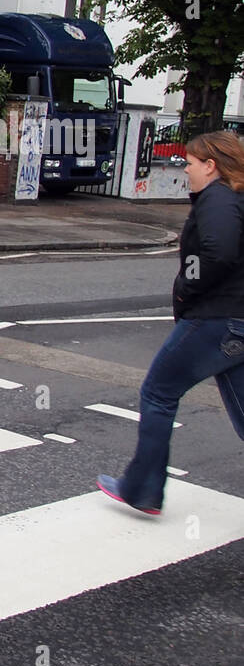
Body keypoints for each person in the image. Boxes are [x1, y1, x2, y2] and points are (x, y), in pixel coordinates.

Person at [98, 130, 244, 515]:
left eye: (190, 163)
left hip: (215, 319)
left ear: (211, 166)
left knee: (158, 393)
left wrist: (185, 288)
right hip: (238, 324)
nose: (185, 170)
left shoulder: (219, 199)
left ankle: (141, 490)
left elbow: (220, 253)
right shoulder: (237, 199)